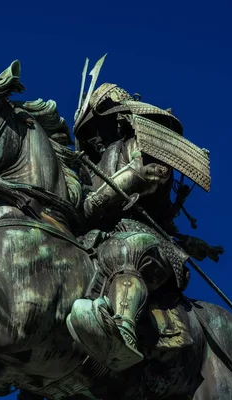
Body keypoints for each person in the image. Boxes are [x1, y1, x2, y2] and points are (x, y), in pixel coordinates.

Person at [65, 57, 221, 372]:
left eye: (98, 127)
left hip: (146, 243)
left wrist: (134, 177)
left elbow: (158, 200)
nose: (94, 137)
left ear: (118, 121)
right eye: (89, 132)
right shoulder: (93, 166)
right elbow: (85, 205)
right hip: (100, 237)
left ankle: (122, 331)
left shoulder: (141, 150)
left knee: (128, 249)